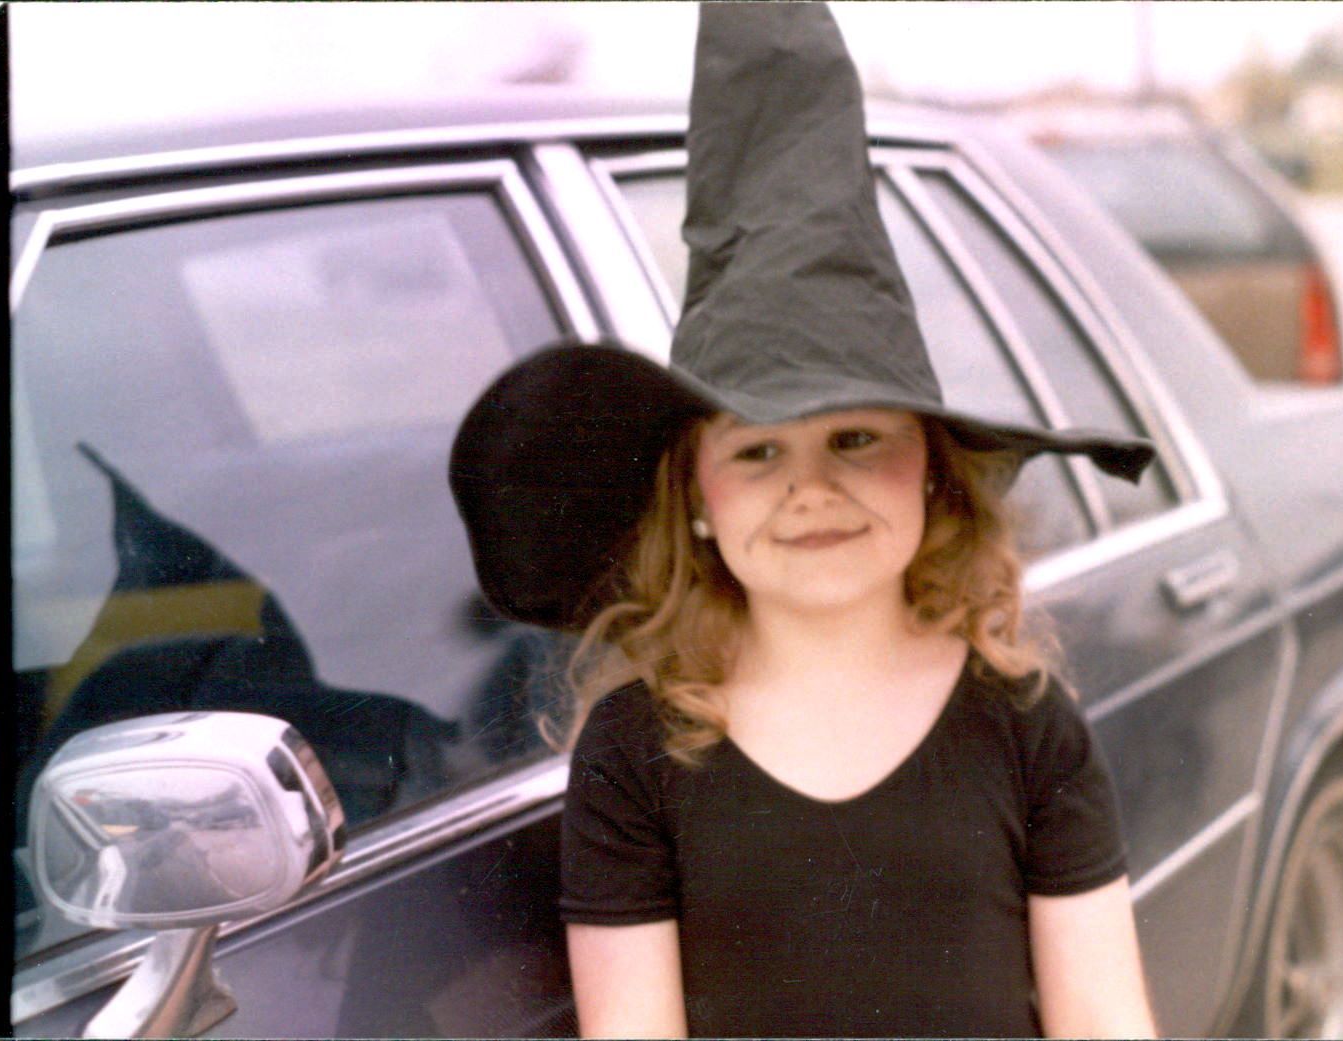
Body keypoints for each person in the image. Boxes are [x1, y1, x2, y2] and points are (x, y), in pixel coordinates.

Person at [449, 5, 1157, 1036]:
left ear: (933, 471)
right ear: (696, 497)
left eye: (855, 438)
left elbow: (1103, 1019)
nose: (810, 486)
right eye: (757, 450)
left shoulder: (1022, 725)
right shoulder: (636, 751)